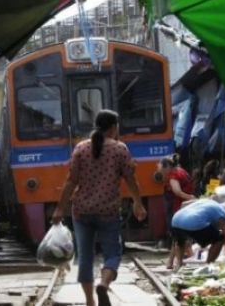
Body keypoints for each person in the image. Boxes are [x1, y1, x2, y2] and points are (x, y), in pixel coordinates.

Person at [52, 110, 146, 306]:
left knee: (85, 257)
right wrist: (137, 201)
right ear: (113, 127)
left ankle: (89, 302)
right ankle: (103, 283)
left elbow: (70, 182)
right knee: (113, 253)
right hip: (108, 211)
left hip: (82, 211)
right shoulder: (120, 149)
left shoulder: (80, 149)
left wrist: (59, 208)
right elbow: (131, 179)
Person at [171, 199, 225, 263]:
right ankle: (208, 265)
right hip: (193, 222)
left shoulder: (209, 202)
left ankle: (179, 264)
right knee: (220, 239)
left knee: (181, 241)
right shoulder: (223, 213)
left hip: (175, 220)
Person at [158, 154, 194, 270]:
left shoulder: (174, 175)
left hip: (178, 209)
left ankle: (182, 264)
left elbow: (177, 192)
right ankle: (170, 262)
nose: (162, 172)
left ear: (167, 166)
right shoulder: (181, 171)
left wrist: (191, 198)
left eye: (162, 169)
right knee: (176, 237)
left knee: (180, 238)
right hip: (181, 208)